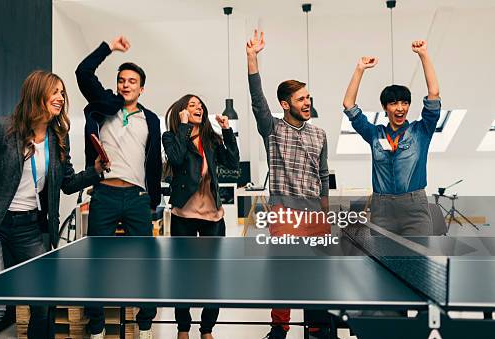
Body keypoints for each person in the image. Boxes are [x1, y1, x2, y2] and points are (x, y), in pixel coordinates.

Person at [0, 70, 109, 339]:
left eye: (62, 93)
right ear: (37, 94)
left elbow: (67, 183)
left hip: (28, 227)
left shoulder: (58, 138)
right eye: (55, 92)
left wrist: (95, 170)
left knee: (43, 302)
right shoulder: (3, 128)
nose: (60, 97)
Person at [246, 30, 332, 339]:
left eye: (308, 97)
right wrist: (252, 58)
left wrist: (324, 211)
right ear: (285, 104)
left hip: (315, 215)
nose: (307, 102)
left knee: (319, 274)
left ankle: (320, 327)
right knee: (283, 273)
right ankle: (280, 328)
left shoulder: (320, 134)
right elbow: (257, 101)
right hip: (283, 213)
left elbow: (323, 176)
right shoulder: (272, 129)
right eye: (301, 99)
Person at [75, 36, 162, 339]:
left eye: (132, 81)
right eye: (122, 80)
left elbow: (153, 163)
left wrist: (153, 200)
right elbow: (83, 73)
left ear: (141, 88)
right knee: (96, 262)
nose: (126, 85)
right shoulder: (103, 106)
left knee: (147, 263)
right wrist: (108, 48)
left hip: (137, 197)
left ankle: (146, 320)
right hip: (105, 195)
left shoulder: (151, 119)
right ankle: (97, 326)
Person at [342, 40, 440, 235]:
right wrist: (360, 68)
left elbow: (434, 94)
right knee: (383, 263)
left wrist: (423, 54)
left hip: (415, 208)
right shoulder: (374, 134)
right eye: (394, 103)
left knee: (418, 262)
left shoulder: (421, 131)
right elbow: (348, 104)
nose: (400, 108)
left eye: (405, 103)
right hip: (382, 209)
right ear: (386, 108)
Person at [162, 94, 240, 339]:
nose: (198, 108)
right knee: (182, 275)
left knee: (212, 276)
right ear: (181, 111)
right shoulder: (171, 137)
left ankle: (206, 329)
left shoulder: (211, 138)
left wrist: (227, 131)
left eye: (200, 105)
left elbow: (232, 162)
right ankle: (183, 328)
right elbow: (175, 158)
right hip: (183, 213)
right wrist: (185, 127)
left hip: (212, 216)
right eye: (191, 105)